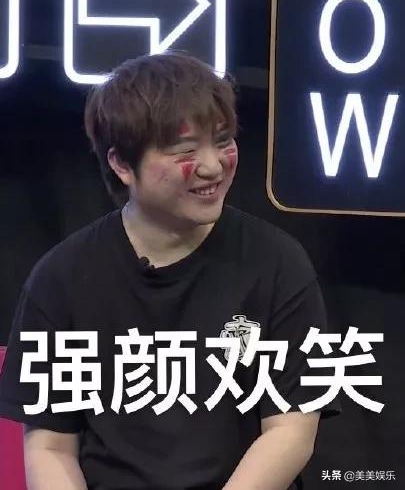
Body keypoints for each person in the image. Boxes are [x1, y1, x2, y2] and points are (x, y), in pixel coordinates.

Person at [0, 52, 341, 490]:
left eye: (223, 140)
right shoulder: (61, 278)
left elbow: (291, 431)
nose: (212, 166)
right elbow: (50, 447)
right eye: (185, 150)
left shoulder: (278, 263)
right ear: (122, 165)